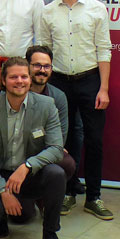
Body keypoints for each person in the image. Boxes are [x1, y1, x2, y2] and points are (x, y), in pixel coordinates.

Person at [40, 0, 113, 221]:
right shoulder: (47, 12)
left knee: (94, 141)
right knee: (63, 142)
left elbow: (104, 49)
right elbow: (43, 52)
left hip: (91, 80)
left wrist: (103, 89)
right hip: (58, 84)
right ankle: (69, 192)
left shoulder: (97, 9)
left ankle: (94, 197)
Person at [0, 58, 67, 239]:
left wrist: (27, 166)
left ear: (30, 80)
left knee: (57, 174)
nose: (20, 81)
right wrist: (2, 190)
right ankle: (0, 219)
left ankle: (50, 234)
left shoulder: (46, 105)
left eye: (24, 76)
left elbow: (56, 148)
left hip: (28, 174)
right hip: (0, 174)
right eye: (13, 77)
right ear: (4, 81)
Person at [26, 44, 77, 187]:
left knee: (68, 164)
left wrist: (54, 148)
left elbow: (60, 137)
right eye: (37, 65)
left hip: (46, 149)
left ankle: (43, 198)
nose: (42, 71)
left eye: (47, 66)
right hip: (16, 148)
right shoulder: (16, 90)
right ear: (27, 66)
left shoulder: (59, 97)